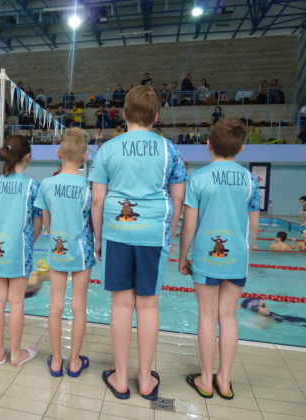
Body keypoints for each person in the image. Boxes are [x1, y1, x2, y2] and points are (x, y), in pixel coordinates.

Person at [90, 85, 187, 401]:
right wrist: (169, 231)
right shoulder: (169, 149)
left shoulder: (107, 149)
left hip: (117, 232)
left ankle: (120, 377)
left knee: (120, 305)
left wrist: (98, 237)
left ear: (124, 114)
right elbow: (178, 197)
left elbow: (97, 200)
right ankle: (145, 379)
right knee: (148, 306)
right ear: (156, 116)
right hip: (153, 234)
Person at [178, 118, 260, 400]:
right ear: (241, 148)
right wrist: (246, 249)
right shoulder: (249, 180)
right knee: (228, 316)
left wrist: (182, 256)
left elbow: (189, 225)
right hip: (237, 258)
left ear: (208, 144)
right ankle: (224, 380)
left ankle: (205, 378)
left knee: (207, 315)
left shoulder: (198, 178)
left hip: (205, 258)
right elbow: (254, 226)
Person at [34, 128, 95, 378]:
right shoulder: (89, 187)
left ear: (58, 153)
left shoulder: (47, 184)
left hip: (57, 251)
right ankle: (75, 361)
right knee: (79, 307)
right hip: (82, 252)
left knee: (55, 306)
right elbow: (93, 222)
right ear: (85, 156)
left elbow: (46, 222)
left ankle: (57, 360)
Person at [0, 135, 42, 366]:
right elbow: (37, 224)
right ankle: (16, 354)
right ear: (27, 157)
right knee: (17, 302)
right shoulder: (32, 186)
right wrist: (28, 242)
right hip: (20, 250)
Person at [241, 298, 306, 328]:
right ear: (256, 309)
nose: (267, 307)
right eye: (263, 305)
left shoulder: (266, 314)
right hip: (292, 321)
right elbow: (264, 327)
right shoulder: (262, 320)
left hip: (289, 319)